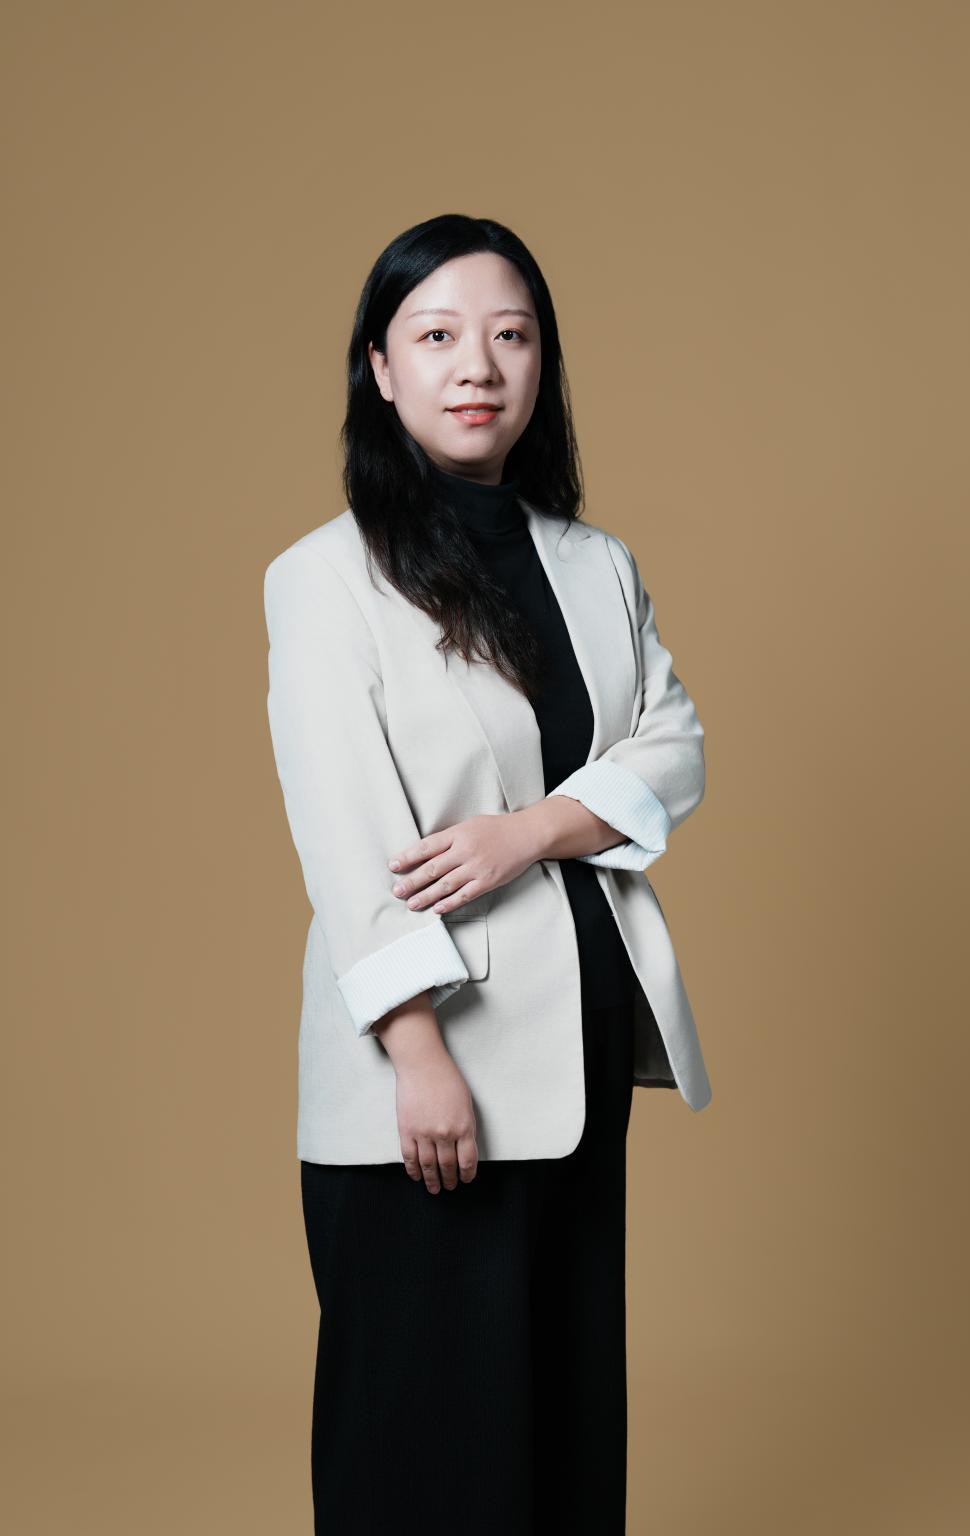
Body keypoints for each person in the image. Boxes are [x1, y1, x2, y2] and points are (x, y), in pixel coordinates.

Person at [262, 213, 711, 1535]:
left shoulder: (594, 564)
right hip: (430, 1061)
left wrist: (529, 832)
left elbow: (674, 746)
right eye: (439, 335)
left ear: (541, 364)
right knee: (418, 1438)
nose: (478, 365)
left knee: (560, 1429)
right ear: (380, 367)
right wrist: (417, 1053)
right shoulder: (326, 579)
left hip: (578, 1045)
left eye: (511, 336)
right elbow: (346, 834)